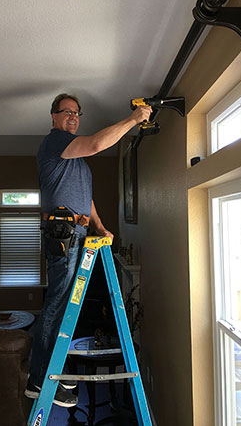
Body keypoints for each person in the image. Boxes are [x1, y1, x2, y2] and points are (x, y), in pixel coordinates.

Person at [25, 93, 151, 407]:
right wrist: (135, 119)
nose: (72, 116)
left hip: (77, 231)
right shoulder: (54, 143)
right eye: (65, 111)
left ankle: (52, 369)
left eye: (76, 112)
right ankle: (39, 380)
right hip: (62, 232)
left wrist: (99, 226)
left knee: (67, 305)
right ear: (53, 116)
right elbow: (96, 143)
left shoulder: (74, 158)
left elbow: (87, 197)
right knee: (57, 304)